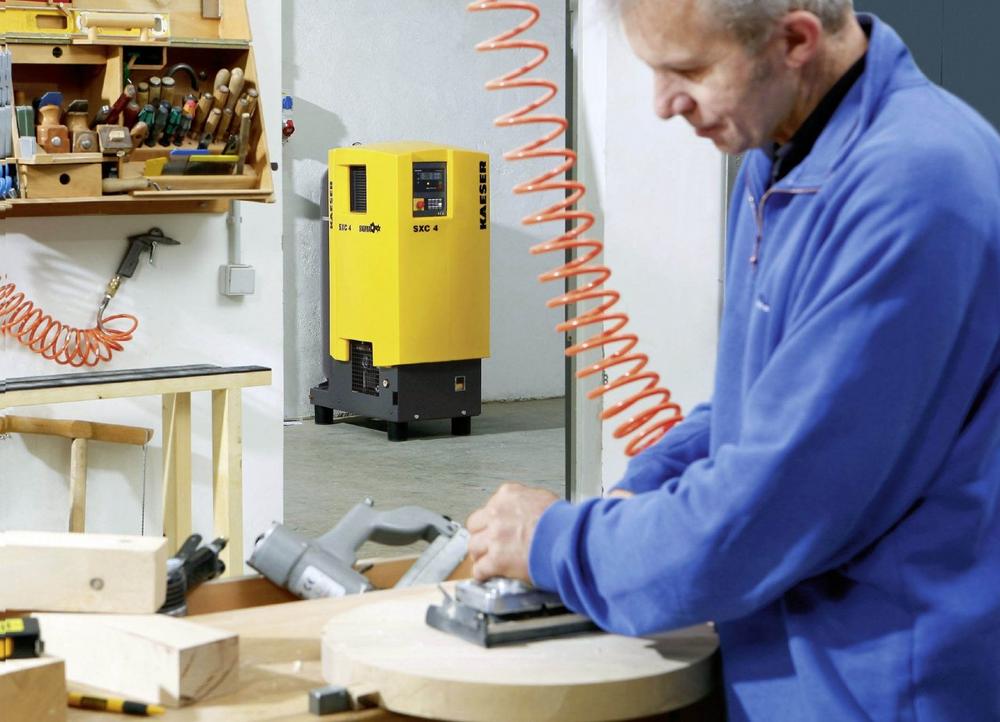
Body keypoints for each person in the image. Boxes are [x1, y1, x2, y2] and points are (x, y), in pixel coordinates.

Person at [466, 1, 1000, 719]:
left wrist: (554, 541)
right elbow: (760, 399)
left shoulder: (912, 189)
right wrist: (645, 483)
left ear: (795, 41)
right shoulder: (778, 155)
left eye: (689, 71)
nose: (663, 104)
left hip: (884, 687)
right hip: (787, 660)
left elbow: (760, 518)